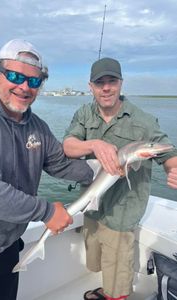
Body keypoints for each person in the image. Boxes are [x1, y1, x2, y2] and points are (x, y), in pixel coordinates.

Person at [0, 39, 95, 300]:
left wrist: (103, 171)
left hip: (7, 251)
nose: (24, 86)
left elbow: (60, 163)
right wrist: (47, 211)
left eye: (34, 81)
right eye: (15, 76)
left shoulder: (36, 126)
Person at [63, 57, 177, 300]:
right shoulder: (85, 113)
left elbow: (167, 152)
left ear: (121, 83)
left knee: (118, 276)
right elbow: (68, 146)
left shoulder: (143, 121)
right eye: (99, 82)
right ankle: (107, 291)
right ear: (90, 86)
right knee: (99, 262)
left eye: (112, 81)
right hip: (92, 206)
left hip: (123, 212)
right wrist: (93, 144)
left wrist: (172, 169)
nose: (106, 88)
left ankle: (114, 294)